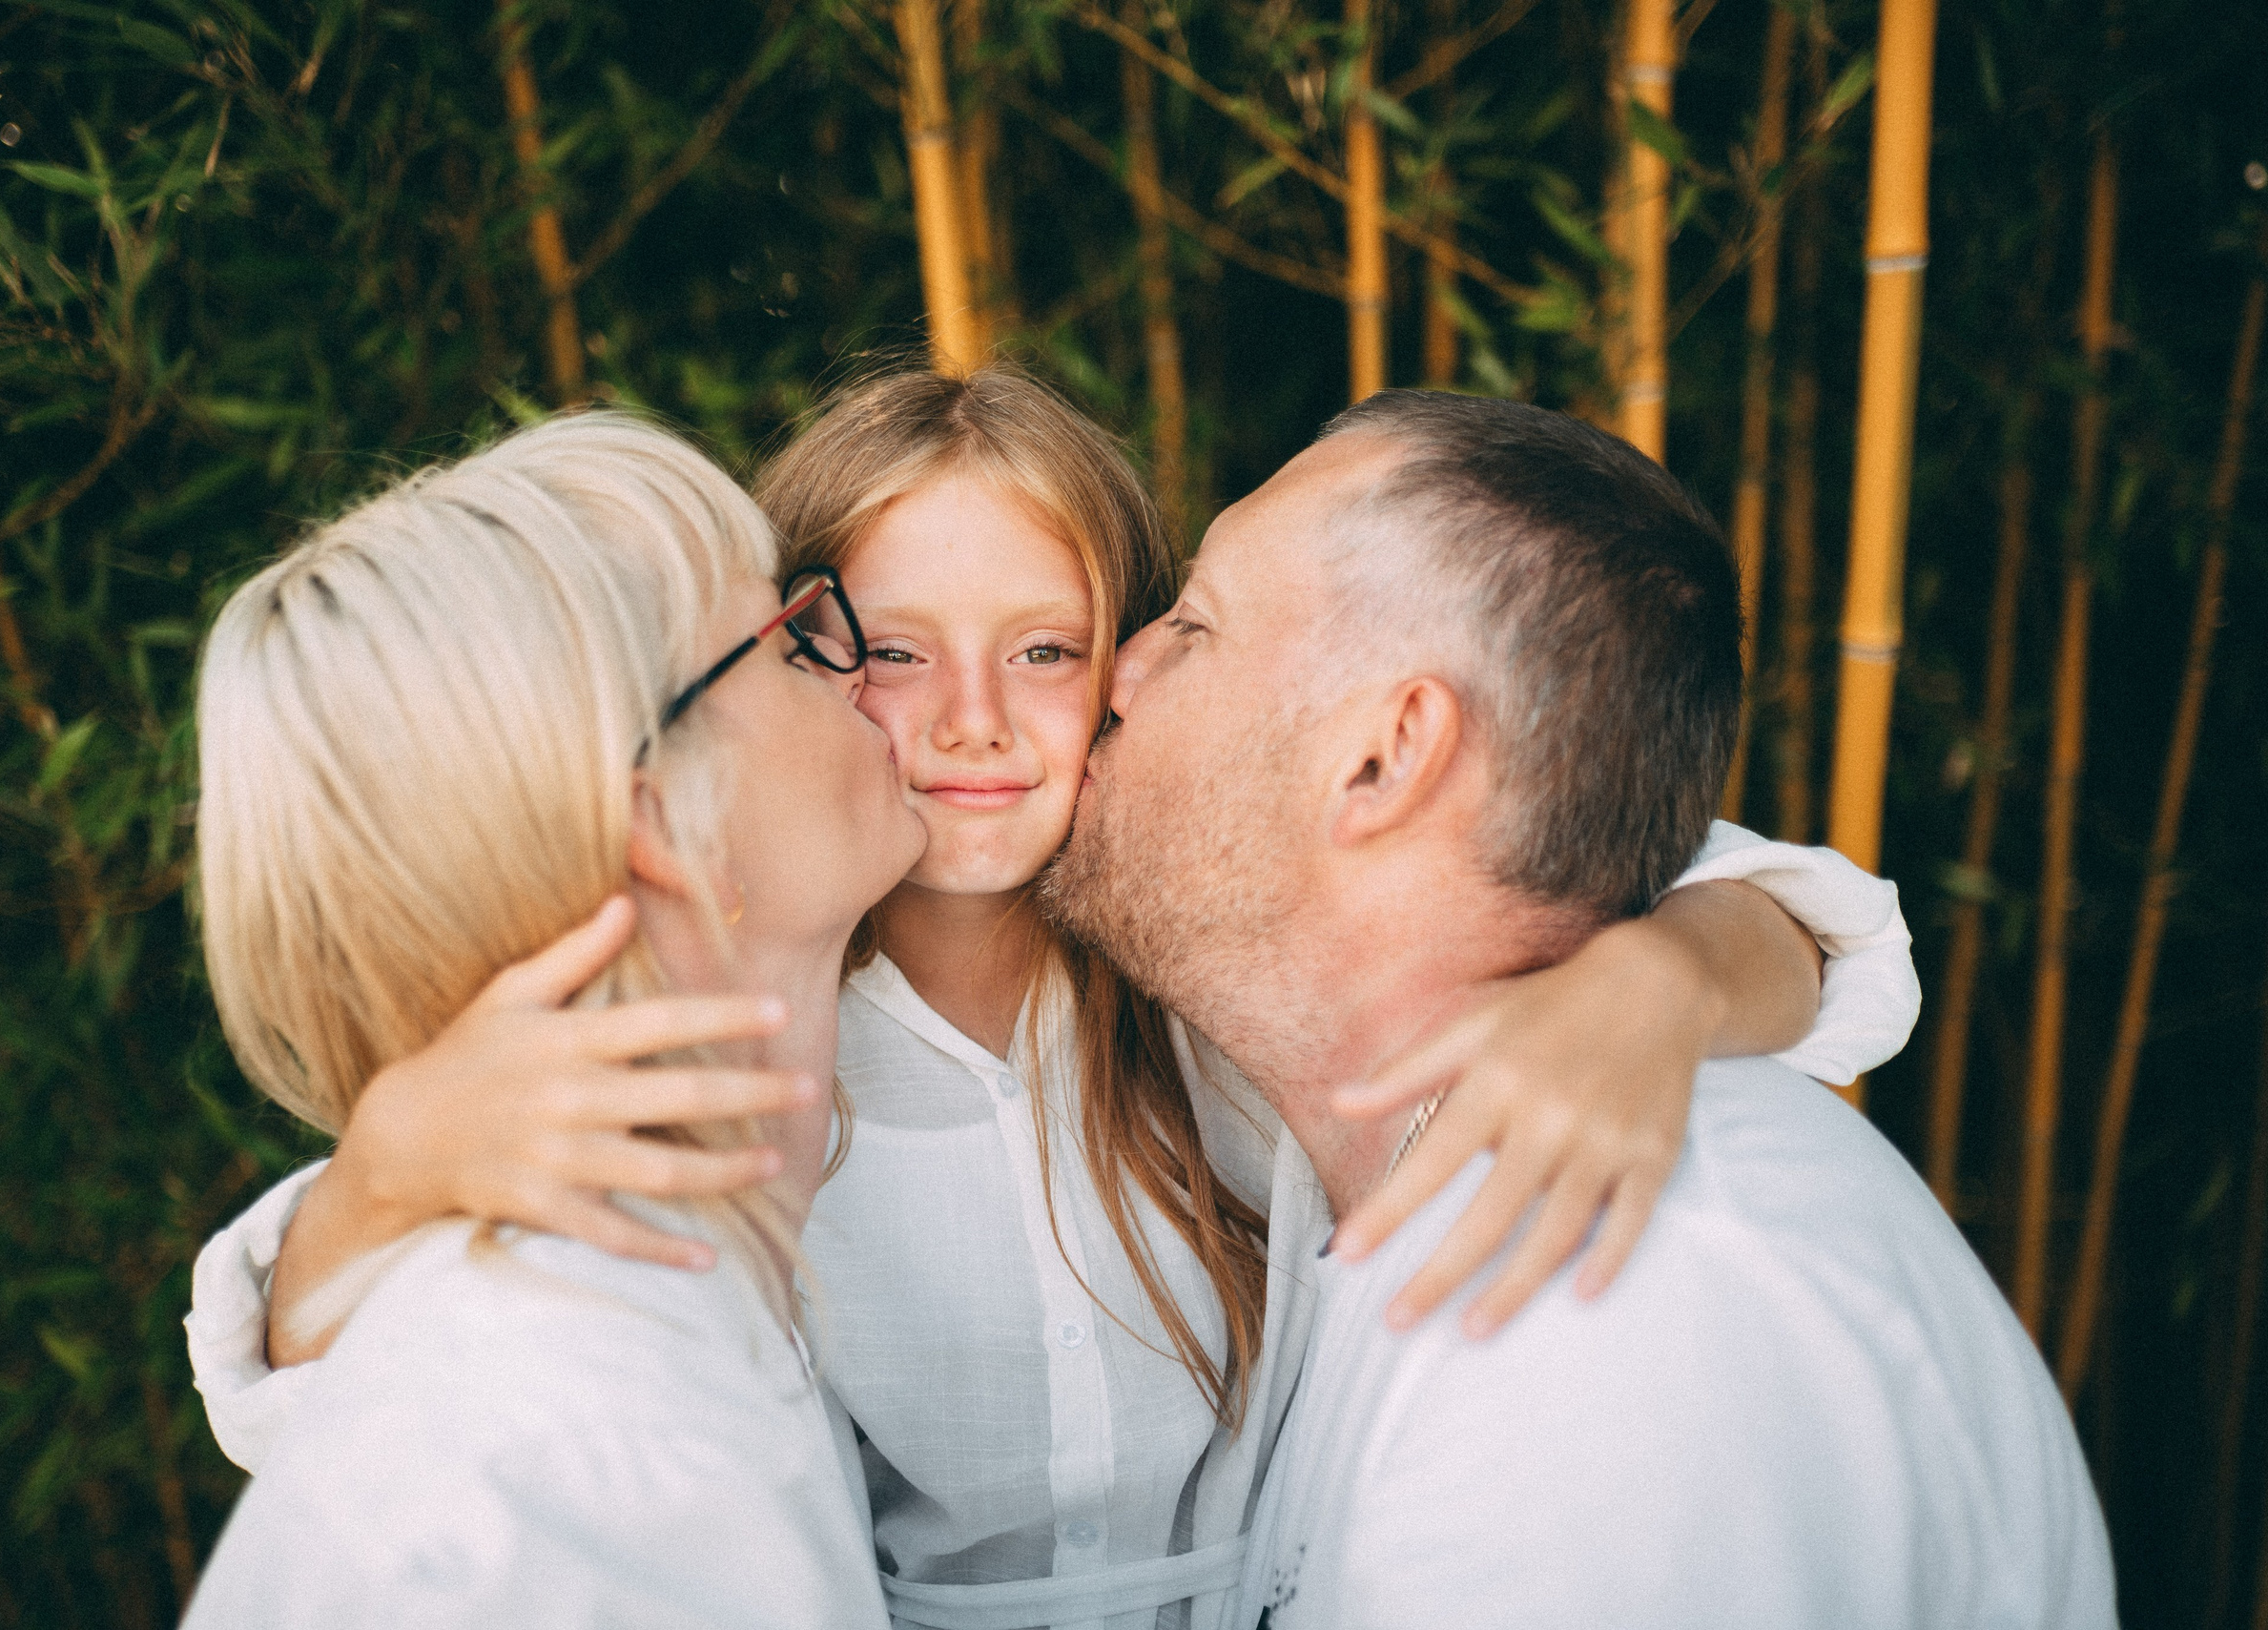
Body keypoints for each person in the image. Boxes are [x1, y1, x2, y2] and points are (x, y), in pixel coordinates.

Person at [188, 369, 1922, 1629]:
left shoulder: (1203, 946)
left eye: (1044, 650)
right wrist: (392, 1161)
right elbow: (323, 1377)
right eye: (861, 646)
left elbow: (1785, 920)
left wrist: (1652, 976)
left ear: (1135, 674)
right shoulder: (734, 1080)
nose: (965, 722)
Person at [1038, 389, 2113, 1628]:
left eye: (1196, 624)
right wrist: (1682, 969)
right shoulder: (1369, 1169)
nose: (1116, 667)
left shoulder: (1594, 1328)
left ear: (1384, 758)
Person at [178, 414, 910, 1627]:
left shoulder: (654, 1314)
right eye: (786, 643)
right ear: (663, 821)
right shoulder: (585, 1459)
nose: (862, 666)